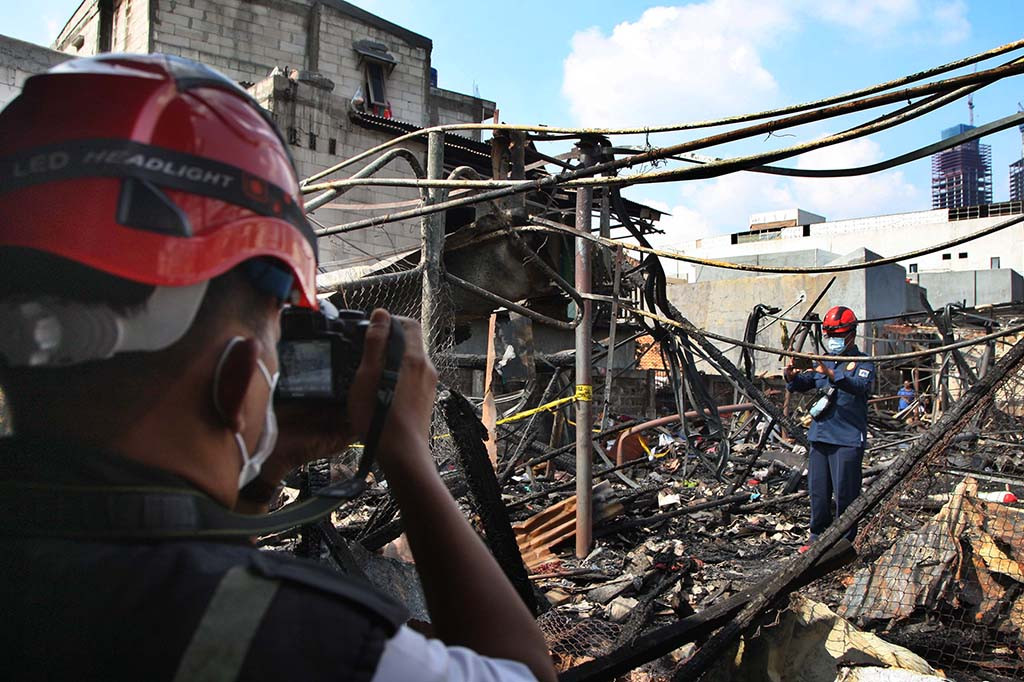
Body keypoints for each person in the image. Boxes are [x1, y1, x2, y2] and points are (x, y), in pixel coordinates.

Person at [0, 54, 555, 682]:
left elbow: (167, 552)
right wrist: (406, 453)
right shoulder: (301, 641)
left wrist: (264, 466)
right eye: (276, 339)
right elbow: (524, 672)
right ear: (239, 382)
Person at [784, 305, 875, 551]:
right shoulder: (824, 362)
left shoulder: (862, 362)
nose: (833, 341)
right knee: (818, 491)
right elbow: (804, 383)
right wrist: (791, 376)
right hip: (821, 435)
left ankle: (844, 541)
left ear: (851, 335)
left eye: (837, 336)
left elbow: (859, 386)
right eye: (830, 337)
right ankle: (816, 536)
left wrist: (832, 373)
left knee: (845, 493)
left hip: (846, 439)